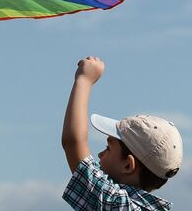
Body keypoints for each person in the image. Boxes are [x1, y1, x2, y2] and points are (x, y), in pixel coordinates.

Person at [61, 56, 183, 211]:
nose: (100, 155)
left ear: (128, 165)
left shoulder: (116, 204)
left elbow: (73, 143)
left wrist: (84, 79)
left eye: (108, 148)